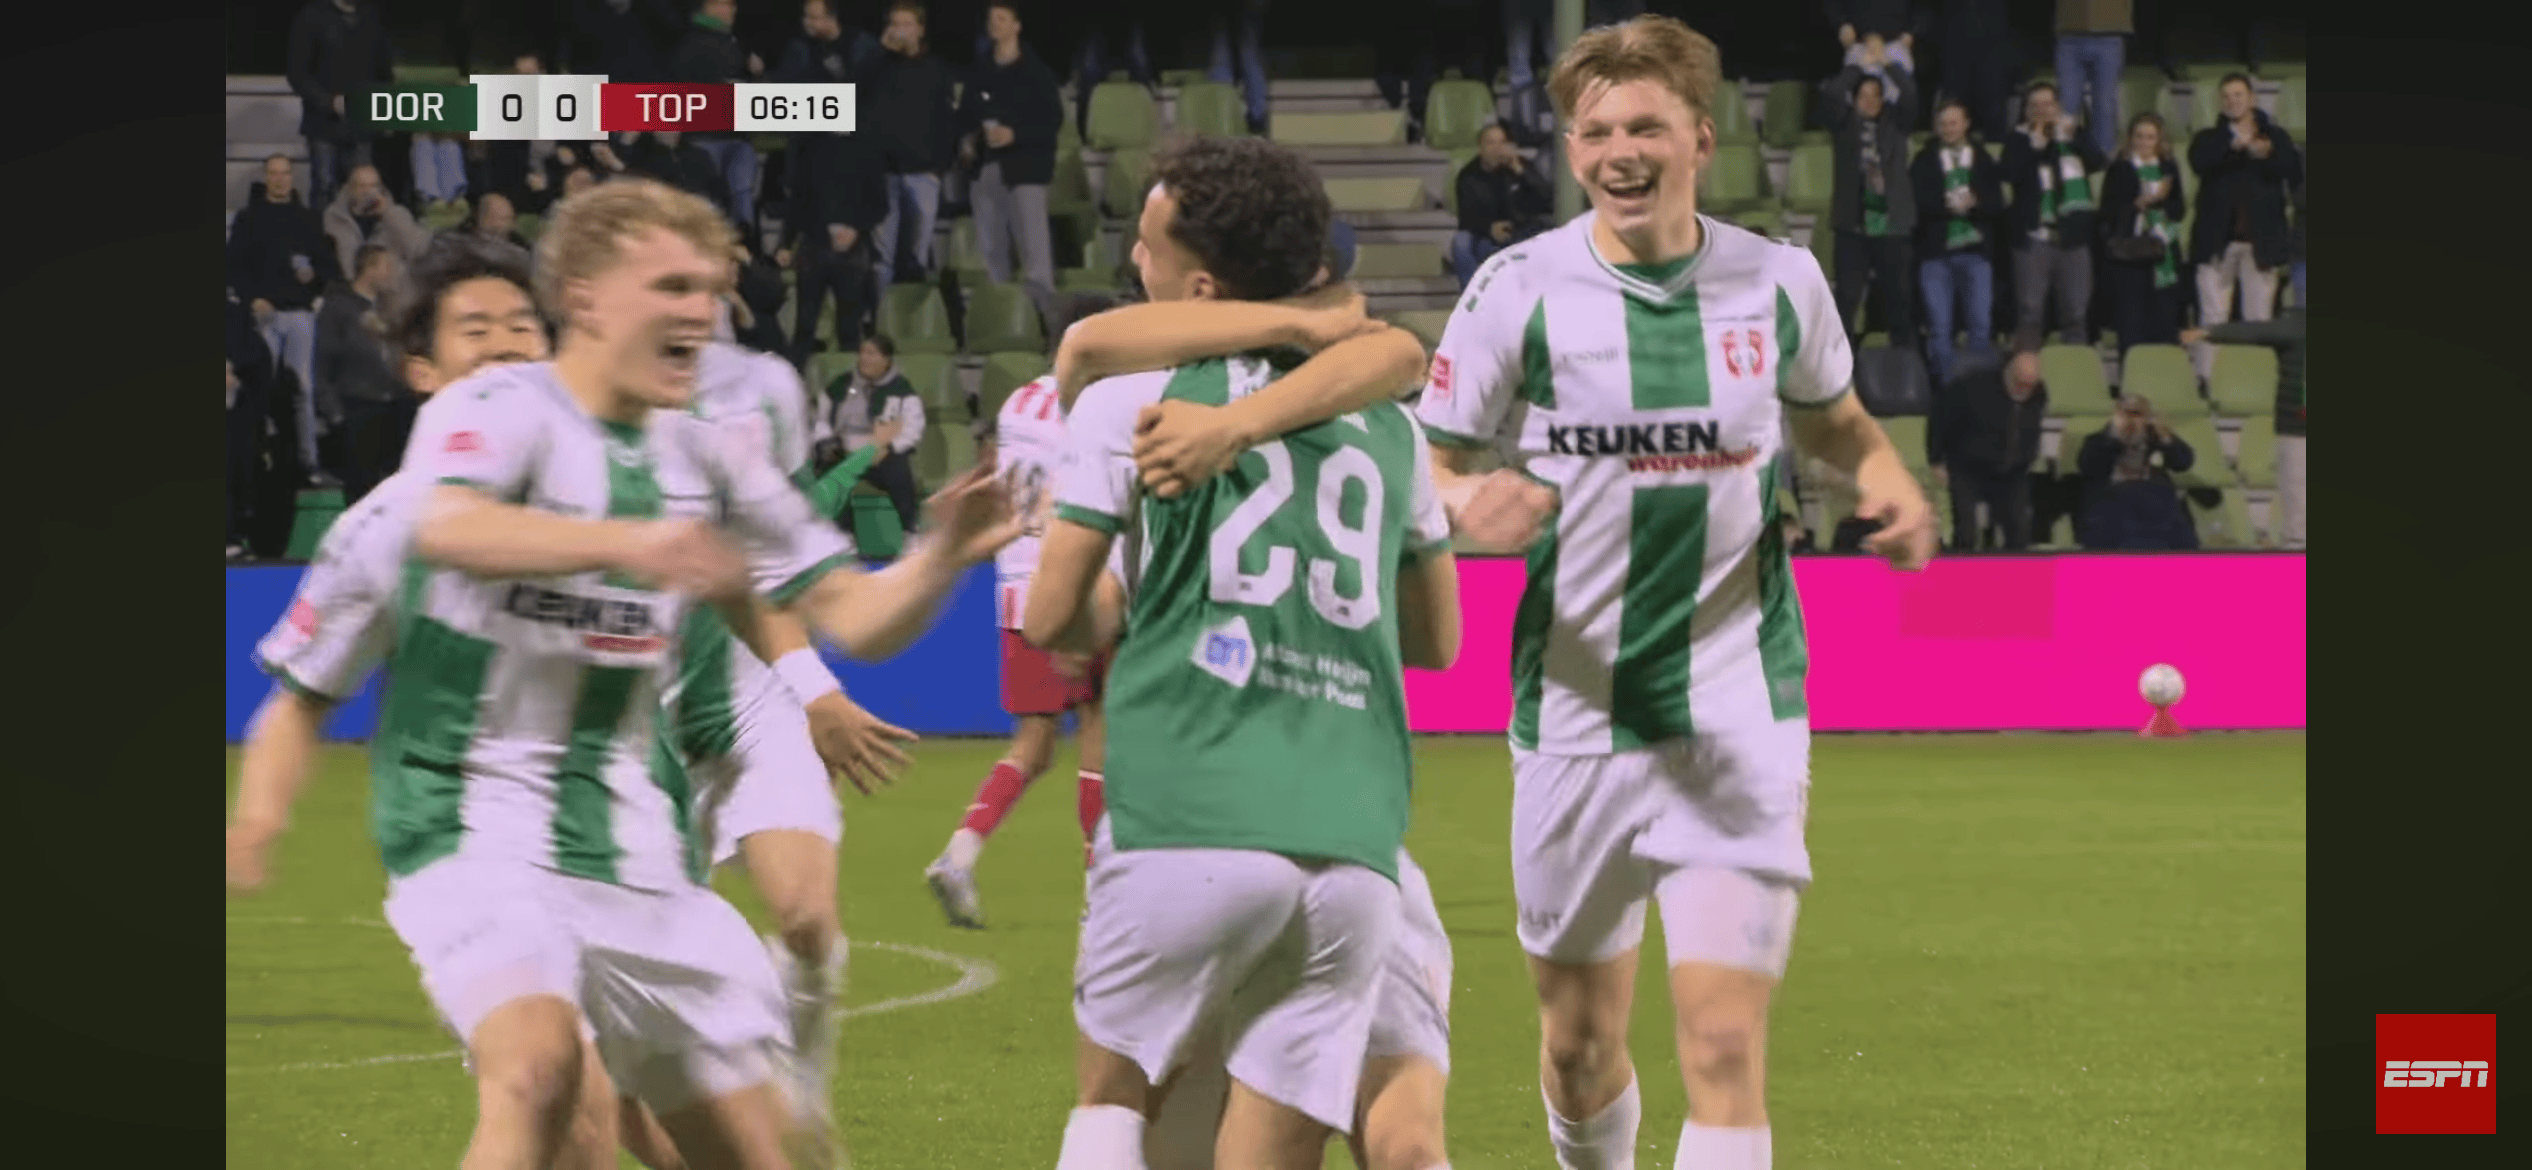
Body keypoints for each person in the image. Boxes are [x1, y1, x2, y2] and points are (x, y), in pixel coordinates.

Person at [382, 177, 1018, 1170]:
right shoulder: (493, 416)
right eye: (672, 287)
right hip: (492, 831)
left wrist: (940, 554)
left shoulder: (707, 456)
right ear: (585, 300)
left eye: (709, 290)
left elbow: (850, 612)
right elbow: (448, 522)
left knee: (742, 1150)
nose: (701, 313)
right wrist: (631, 544)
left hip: (635, 833)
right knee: (554, 1103)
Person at [1409, 17, 1935, 1170]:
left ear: (1700, 136)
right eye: (1595, 132)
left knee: (1724, 1041)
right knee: (1578, 1048)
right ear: (1572, 150)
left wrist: (1891, 481)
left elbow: (1836, 423)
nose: (1619, 152)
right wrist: (1462, 499)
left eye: (1644, 127)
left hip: (1739, 704)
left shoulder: (1780, 283)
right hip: (1574, 712)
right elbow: (1426, 463)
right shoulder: (1517, 290)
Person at [1023, 134, 1461, 1170]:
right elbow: (1438, 639)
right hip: (1352, 840)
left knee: (1113, 1103)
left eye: (1148, 245)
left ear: (1200, 287)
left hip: (1189, 809)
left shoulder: (1134, 400)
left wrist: (1104, 588)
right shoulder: (1386, 429)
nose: (1135, 259)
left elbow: (1051, 622)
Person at [228, 234, 695, 1170]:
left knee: (634, 1114)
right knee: (539, 1075)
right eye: (474, 329)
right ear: (424, 371)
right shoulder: (389, 525)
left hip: (615, 838)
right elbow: (302, 697)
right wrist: (257, 819)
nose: (506, 344)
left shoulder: (632, 492)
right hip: (467, 838)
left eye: (524, 325)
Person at [229, 154, 343, 487]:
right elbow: (233, 266)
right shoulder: (248, 218)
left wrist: (313, 279)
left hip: (299, 314)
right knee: (262, 388)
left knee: (303, 390)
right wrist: (252, 299)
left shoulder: (308, 219)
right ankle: (260, 459)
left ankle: (308, 463)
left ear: (292, 177)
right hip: (263, 316)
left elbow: (328, 266)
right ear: (266, 177)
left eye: (284, 173)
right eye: (274, 174)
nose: (279, 179)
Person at [960, 1, 1066, 294]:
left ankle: (1042, 316)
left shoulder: (1037, 72)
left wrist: (1015, 134)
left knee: (1034, 255)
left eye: (1002, 18)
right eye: (992, 19)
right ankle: (1001, 313)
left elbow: (1051, 121)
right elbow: (965, 115)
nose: (995, 24)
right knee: (992, 255)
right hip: (986, 168)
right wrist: (969, 140)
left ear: (1017, 26)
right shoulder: (979, 71)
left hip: (1025, 171)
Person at [2183, 295, 2305, 548]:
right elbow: (2254, 331)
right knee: (2297, 511)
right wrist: (2210, 332)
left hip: (2294, 430)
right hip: (2296, 431)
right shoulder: (2297, 326)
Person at [1820, 43, 1919, 342]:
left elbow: (1910, 93)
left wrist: (1887, 64)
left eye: (1876, 95)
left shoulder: (1897, 123)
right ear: (1854, 100)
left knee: (1900, 299)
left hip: (1892, 227)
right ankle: (1842, 362)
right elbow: (1831, 94)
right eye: (1863, 95)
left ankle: (1905, 357)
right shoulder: (1844, 124)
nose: (1870, 101)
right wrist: (1858, 66)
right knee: (1847, 299)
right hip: (1854, 228)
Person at [2187, 74, 2301, 328]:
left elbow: (2292, 170)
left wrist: (2268, 154)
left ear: (2252, 99)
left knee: (2258, 321)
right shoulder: (2208, 138)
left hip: (2261, 243)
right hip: (2216, 242)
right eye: (2226, 96)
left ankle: (2255, 358)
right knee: (2212, 321)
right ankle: (2209, 358)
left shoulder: (2275, 137)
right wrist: (2232, 147)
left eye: (2238, 94)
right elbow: (2199, 163)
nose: (2232, 101)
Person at [1999, 80, 2104, 348]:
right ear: (2026, 111)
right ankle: (2026, 368)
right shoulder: (2017, 140)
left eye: (2047, 104)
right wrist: (2036, 145)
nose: (2042, 110)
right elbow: (2010, 174)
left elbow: (2097, 161)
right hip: (2034, 237)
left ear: (2057, 107)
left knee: (2077, 312)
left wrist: (2071, 137)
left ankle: (2075, 368)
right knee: (2030, 312)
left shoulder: (2072, 135)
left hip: (2074, 237)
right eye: (2035, 105)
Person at [1909, 100, 2005, 385]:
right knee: (1940, 328)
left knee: (1980, 326)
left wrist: (1975, 204)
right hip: (1935, 255)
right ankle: (1945, 388)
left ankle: (1976, 386)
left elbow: (1997, 203)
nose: (1948, 128)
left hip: (1976, 254)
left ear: (1966, 124)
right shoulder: (1924, 160)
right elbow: (1915, 205)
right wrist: (1946, 206)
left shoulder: (1982, 158)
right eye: (1943, 124)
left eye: (1953, 123)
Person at [777, 123, 889, 362]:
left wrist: (856, 228)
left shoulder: (867, 147)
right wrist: (785, 243)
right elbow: (797, 201)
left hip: (852, 252)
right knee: (805, 326)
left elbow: (880, 204)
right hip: (813, 245)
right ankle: (796, 380)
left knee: (849, 329)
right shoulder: (809, 145)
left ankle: (850, 382)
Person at [868, 2, 961, 287]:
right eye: (895, 24)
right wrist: (880, 54)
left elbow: (949, 124)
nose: (901, 31)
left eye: (907, 24)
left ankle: (911, 314)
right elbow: (856, 97)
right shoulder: (878, 68)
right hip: (883, 175)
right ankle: (883, 312)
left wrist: (938, 169)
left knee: (915, 259)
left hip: (923, 174)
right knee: (882, 260)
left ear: (920, 30)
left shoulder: (937, 69)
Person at [313, 242, 409, 501]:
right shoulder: (338, 308)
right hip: (357, 408)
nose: (394, 274)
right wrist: (335, 414)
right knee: (361, 491)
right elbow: (321, 363)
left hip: (395, 409)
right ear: (369, 269)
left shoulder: (390, 308)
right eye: (388, 267)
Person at [1927, 348, 2046, 550]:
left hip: (2012, 471)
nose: (2024, 391)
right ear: (2009, 372)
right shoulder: (1971, 387)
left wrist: (2028, 456)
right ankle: (1961, 566)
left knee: (2020, 531)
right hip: (1968, 467)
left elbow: (2030, 427)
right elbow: (1939, 420)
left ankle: (2015, 569)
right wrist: (1936, 459)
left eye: (2030, 386)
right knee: (1966, 531)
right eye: (2020, 384)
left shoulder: (2038, 393)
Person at [810, 334, 927, 532]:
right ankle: (844, 535)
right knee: (831, 475)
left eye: (871, 353)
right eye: (862, 352)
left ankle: (910, 530)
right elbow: (820, 419)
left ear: (886, 359)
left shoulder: (901, 389)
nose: (864, 358)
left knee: (900, 471)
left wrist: (891, 447)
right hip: (843, 450)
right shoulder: (840, 384)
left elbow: (913, 428)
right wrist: (826, 439)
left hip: (880, 452)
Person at [286, 0, 394, 213]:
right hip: (323, 123)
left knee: (364, 190)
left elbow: (383, 70)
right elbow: (297, 73)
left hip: (362, 122)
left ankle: (360, 234)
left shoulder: (371, 16)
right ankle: (323, 233)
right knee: (325, 186)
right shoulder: (312, 16)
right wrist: (329, 101)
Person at [668, 0, 766, 232]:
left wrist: (756, 75)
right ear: (708, 7)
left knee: (742, 199)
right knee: (707, 206)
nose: (732, 10)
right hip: (702, 140)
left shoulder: (735, 43)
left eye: (732, 5)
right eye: (725, 5)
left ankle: (744, 248)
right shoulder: (689, 45)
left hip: (738, 139)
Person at [2098, 111, 2187, 358]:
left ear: (2159, 140)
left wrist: (2161, 202)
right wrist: (2137, 205)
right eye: (2139, 136)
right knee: (2132, 321)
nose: (2144, 142)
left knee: (2164, 320)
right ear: (2131, 138)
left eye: (2150, 137)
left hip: (2163, 252)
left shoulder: (2168, 168)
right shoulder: (2120, 169)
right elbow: (2107, 212)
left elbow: (2179, 209)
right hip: (2130, 256)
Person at [2074, 393, 2197, 550]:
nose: (2130, 420)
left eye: (2137, 414)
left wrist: (2165, 436)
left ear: (2147, 419)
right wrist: (2115, 436)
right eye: (2125, 413)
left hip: (2157, 518)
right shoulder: (2098, 441)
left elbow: (2184, 463)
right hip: (2113, 517)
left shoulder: (2156, 440)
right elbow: (2089, 467)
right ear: (2115, 416)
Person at [1451, 123, 1554, 290]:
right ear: (1480, 148)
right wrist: (1489, 228)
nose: (1497, 148)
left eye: (1502, 142)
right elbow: (1466, 218)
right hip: (1485, 239)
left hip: (1519, 236)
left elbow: (1547, 201)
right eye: (1490, 143)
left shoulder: (1521, 167)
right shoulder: (1468, 176)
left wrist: (1520, 171)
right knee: (1460, 242)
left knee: (1547, 230)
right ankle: (1473, 298)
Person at [325, 164, 432, 283]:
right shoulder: (337, 216)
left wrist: (389, 213)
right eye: (362, 186)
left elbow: (420, 250)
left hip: (393, 286)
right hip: (354, 286)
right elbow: (345, 263)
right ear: (350, 189)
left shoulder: (397, 214)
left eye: (374, 186)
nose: (368, 192)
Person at [2052, 0, 2132, 155]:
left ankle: (2103, 156)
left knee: (2104, 104)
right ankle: (2062, 157)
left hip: (2109, 36)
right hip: (2069, 36)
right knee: (2066, 103)